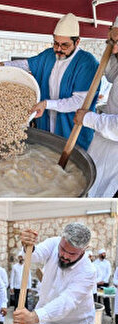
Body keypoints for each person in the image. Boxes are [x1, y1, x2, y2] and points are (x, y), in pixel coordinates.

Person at [0, 13, 100, 150]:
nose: (58, 49)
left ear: (77, 42)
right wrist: (4, 65)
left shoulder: (87, 63)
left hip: (72, 131)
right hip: (47, 125)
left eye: (64, 45)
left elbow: (80, 102)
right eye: (56, 44)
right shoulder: (49, 54)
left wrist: (47, 104)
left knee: (71, 166)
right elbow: (27, 64)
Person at [74, 21, 118, 197]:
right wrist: (110, 45)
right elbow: (111, 74)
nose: (114, 49)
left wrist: (88, 119)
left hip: (114, 155)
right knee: (89, 184)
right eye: (113, 41)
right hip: (102, 145)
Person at [94, 248, 113, 316]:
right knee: (97, 297)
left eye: (104, 253)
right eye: (103, 253)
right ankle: (98, 313)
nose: (104, 255)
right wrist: (98, 281)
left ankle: (108, 312)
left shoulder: (107, 263)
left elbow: (109, 272)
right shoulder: (95, 263)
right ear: (99, 254)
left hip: (105, 283)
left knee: (106, 297)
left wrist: (104, 281)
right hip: (98, 283)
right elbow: (95, 274)